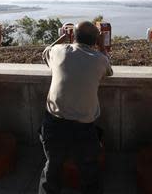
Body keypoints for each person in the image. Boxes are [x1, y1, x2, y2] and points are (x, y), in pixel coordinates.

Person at [38, 21, 113, 194]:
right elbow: (108, 71)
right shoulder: (100, 60)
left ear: (74, 36)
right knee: (89, 169)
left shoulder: (58, 51)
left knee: (52, 167)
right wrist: (102, 45)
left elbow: (44, 53)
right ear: (95, 40)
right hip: (83, 127)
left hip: (54, 124)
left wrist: (64, 37)